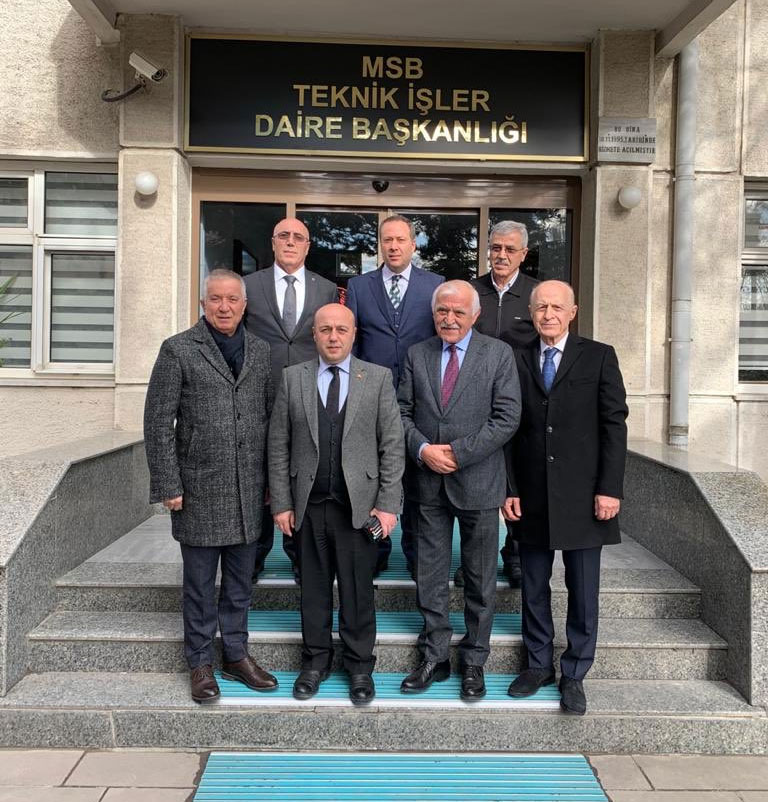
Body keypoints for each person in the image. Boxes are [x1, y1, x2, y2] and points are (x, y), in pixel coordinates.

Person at [144, 268, 278, 704]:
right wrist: (168, 483)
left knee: (240, 583)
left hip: (249, 490)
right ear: (203, 304)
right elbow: (158, 422)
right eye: (215, 299)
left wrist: (273, 483)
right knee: (200, 586)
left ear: (244, 305)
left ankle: (236, 655)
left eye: (232, 299)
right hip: (198, 488)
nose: (224, 307)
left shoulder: (261, 350)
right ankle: (200, 662)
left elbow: (271, 419)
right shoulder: (178, 349)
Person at [268, 303, 405, 704]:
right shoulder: (293, 378)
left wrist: (388, 505)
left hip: (358, 509)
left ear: (353, 333)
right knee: (312, 589)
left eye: (341, 330)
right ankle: (315, 662)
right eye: (325, 329)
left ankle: (359, 667)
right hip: (308, 505)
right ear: (314, 334)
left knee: (358, 590)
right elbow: (278, 445)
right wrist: (281, 502)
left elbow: (392, 445)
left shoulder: (377, 378)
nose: (333, 337)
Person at [504, 280, 628, 716]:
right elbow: (508, 428)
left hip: (585, 496)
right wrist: (508, 488)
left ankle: (574, 672)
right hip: (531, 495)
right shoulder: (515, 358)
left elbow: (614, 426)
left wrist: (610, 488)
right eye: (541, 307)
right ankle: (538, 665)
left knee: (583, 589)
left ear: (572, 312)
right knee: (533, 585)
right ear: (531, 312)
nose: (549, 314)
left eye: (557, 307)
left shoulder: (599, 356)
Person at [397, 280, 521, 700]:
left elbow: (507, 417)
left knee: (481, 579)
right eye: (442, 311)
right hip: (427, 482)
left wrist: (458, 452)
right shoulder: (417, 354)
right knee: (429, 575)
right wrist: (423, 449)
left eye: (458, 312)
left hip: (480, 481)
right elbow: (400, 412)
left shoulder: (498, 354)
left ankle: (474, 661)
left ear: (475, 315)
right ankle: (435, 656)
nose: (449, 319)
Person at [346, 215, 443, 576]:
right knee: (373, 474)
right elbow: (353, 341)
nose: (394, 246)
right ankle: (376, 551)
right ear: (380, 245)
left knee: (418, 481)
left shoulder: (435, 285)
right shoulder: (359, 286)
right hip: (372, 395)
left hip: (421, 396)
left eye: (401, 240)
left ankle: (417, 555)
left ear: (413, 245)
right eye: (387, 240)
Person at [244, 217, 338, 582]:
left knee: (301, 475)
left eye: (298, 237)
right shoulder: (249, 285)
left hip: (306, 396)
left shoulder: (325, 288)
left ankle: (301, 559)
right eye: (283, 235)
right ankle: (252, 560)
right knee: (257, 477)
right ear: (272, 242)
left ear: (307, 246)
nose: (290, 242)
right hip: (257, 395)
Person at [466, 220, 540, 590]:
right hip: (474, 402)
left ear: (523, 254)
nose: (502, 255)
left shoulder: (535, 295)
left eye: (510, 249)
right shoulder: (471, 292)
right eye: (496, 248)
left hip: (521, 401)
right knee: (477, 482)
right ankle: (474, 562)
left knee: (518, 480)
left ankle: (515, 554)